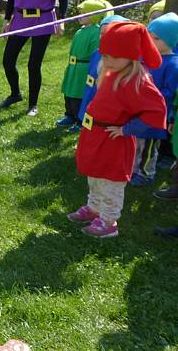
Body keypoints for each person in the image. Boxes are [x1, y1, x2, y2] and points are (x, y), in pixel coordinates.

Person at [68, 22, 166, 238]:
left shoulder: (137, 81)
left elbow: (157, 111)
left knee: (110, 181)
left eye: (114, 56)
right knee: (94, 175)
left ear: (131, 56)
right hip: (95, 135)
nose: (108, 60)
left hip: (113, 140)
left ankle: (108, 221)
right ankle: (94, 208)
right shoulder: (111, 72)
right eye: (105, 55)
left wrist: (127, 129)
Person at [0, 0, 68, 117]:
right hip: (20, 20)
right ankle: (15, 94)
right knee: (8, 60)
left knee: (33, 64)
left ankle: (33, 105)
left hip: (43, 20)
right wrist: (7, 20)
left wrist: (61, 21)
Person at [129, 12, 178, 186]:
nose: (151, 41)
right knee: (135, 140)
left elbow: (171, 92)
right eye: (149, 37)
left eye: (156, 39)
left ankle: (145, 174)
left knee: (148, 145)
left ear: (171, 40)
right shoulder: (145, 58)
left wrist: (148, 96)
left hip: (154, 113)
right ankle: (132, 168)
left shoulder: (173, 64)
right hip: (137, 109)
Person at [56, 0, 112, 129]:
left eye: (85, 13)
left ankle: (79, 119)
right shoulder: (80, 31)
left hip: (83, 68)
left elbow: (95, 53)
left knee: (78, 93)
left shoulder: (96, 32)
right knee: (69, 91)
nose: (80, 15)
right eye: (80, 12)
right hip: (73, 67)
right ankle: (69, 115)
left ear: (95, 15)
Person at [76, 15, 129, 132]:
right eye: (101, 33)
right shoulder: (96, 52)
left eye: (109, 33)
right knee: (88, 114)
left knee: (99, 122)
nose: (104, 36)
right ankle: (86, 134)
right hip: (91, 91)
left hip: (105, 96)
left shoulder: (122, 59)